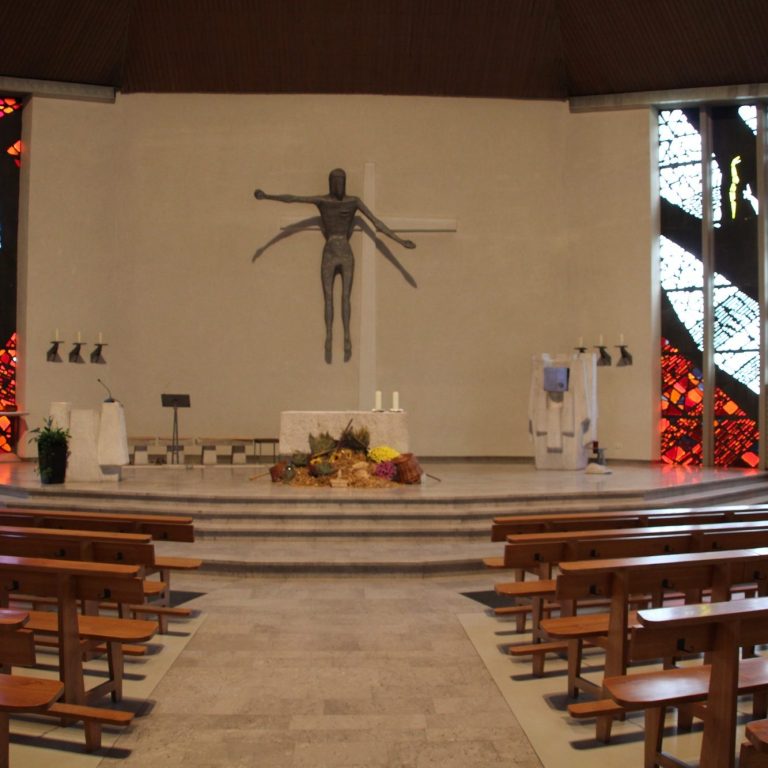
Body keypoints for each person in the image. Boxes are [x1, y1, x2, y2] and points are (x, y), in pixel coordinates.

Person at [254, 168, 416, 363]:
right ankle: (329, 335)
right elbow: (293, 198)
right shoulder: (323, 201)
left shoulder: (353, 201)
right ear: (331, 183)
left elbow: (376, 223)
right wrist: (267, 196)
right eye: (336, 181)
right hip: (330, 251)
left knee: (345, 296)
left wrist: (399, 240)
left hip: (345, 252)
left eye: (342, 181)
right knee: (328, 297)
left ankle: (347, 336)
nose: (339, 185)